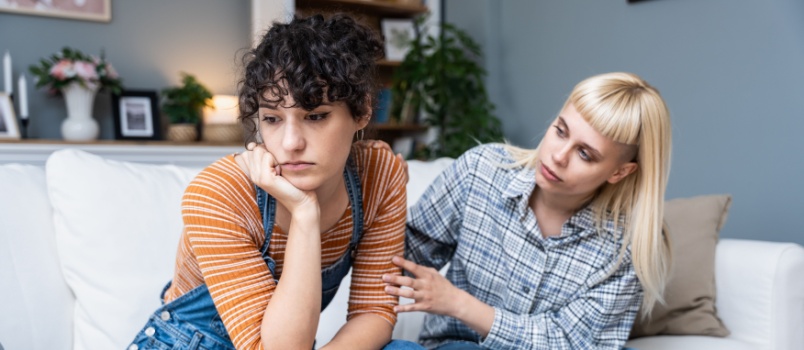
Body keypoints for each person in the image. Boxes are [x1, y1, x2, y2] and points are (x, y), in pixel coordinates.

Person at [129, 14, 420, 350]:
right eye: (272, 119)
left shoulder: (379, 174)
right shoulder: (218, 193)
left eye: (315, 116)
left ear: (362, 112)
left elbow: (374, 311)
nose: (291, 143)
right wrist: (304, 212)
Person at [383, 72, 672, 349]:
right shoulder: (481, 171)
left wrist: (459, 303)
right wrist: (384, 202)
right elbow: (400, 258)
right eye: (560, 131)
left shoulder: (627, 247)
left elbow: (569, 343)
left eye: (584, 154)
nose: (558, 156)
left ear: (620, 172)